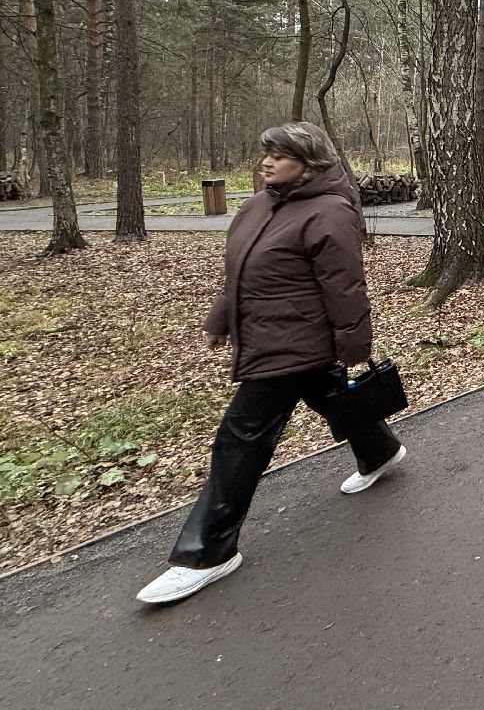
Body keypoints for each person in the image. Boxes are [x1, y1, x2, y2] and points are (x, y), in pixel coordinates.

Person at [137, 122, 406, 605]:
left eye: (281, 155)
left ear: (309, 163)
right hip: (270, 336)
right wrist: (221, 319)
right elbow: (241, 272)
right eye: (267, 152)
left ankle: (207, 553)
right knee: (332, 398)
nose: (268, 162)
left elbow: (345, 286)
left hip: (295, 342)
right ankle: (380, 450)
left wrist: (354, 345)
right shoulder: (258, 205)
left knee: (240, 439)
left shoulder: (330, 211)